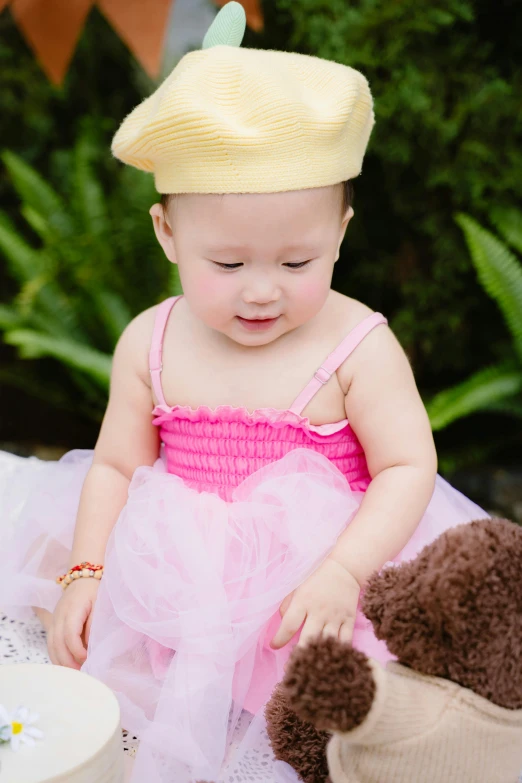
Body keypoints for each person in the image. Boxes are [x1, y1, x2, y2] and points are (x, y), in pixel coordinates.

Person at [0, 4, 487, 782]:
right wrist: (86, 572)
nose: (262, 292)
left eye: (298, 263)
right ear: (168, 234)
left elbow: (406, 465)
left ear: (341, 233)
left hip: (323, 575)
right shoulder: (151, 341)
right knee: (126, 695)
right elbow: (117, 468)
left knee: (369, 714)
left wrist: (343, 568)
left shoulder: (355, 342)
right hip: (180, 584)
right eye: (227, 264)